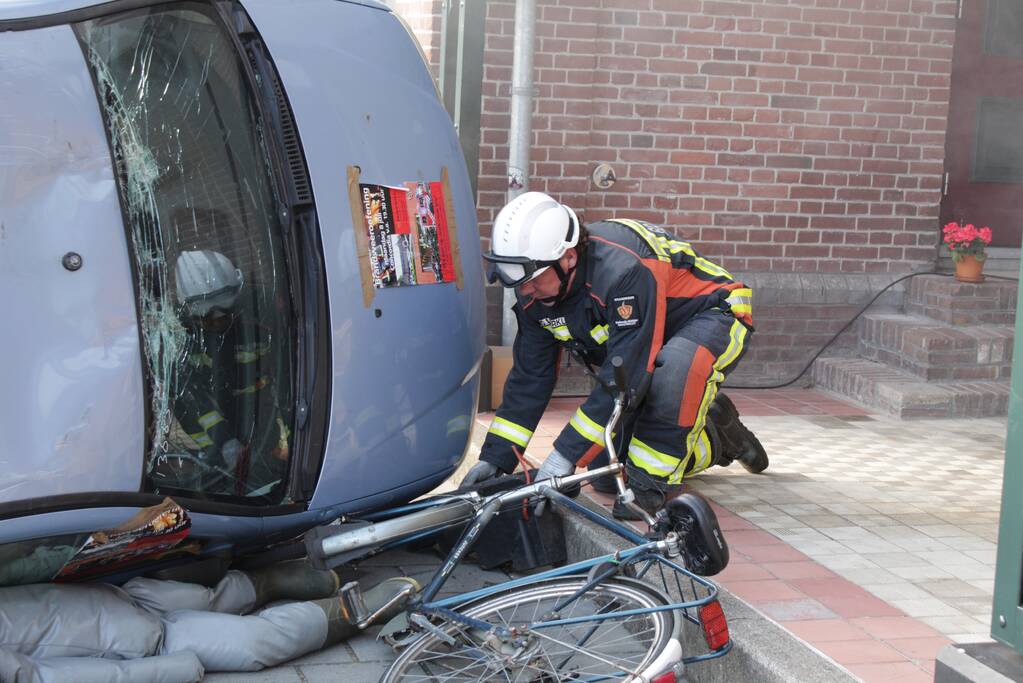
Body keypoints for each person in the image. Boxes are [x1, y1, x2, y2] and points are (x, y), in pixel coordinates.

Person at [463, 192, 768, 518]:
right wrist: (495, 458)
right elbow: (529, 380)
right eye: (514, 280)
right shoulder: (535, 295)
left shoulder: (624, 272)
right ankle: (720, 438)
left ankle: (652, 483)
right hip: (651, 342)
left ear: (567, 258)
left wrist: (563, 455)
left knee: (676, 371)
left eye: (531, 279)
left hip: (713, 314)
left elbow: (628, 376)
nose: (524, 291)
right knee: (606, 473)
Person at [0, 559, 418, 682]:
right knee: (250, 635)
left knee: (228, 614)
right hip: (137, 626)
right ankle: (352, 610)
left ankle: (276, 581)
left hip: (129, 610)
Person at [169, 250, 289, 497]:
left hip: (260, 406)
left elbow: (289, 370)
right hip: (211, 412)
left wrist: (290, 431)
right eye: (206, 318)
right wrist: (222, 442)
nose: (216, 323)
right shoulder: (180, 336)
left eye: (223, 313)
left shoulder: (263, 312)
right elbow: (187, 396)